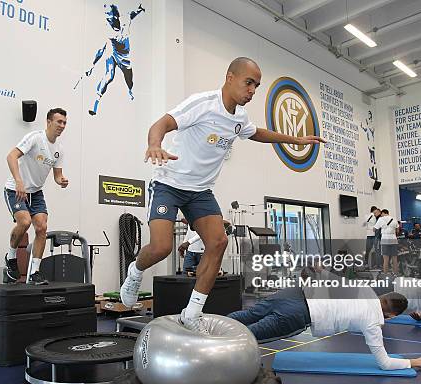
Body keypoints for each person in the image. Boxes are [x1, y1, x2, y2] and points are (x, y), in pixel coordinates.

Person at [119, 57, 325, 333]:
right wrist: (155, 145)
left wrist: (295, 139)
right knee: (161, 248)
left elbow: (257, 133)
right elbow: (162, 123)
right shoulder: (203, 104)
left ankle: (191, 313)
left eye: (256, 86)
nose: (252, 90)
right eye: (248, 83)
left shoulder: (239, 118)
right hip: (169, 183)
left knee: (218, 242)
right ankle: (135, 271)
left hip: (201, 191)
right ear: (230, 77)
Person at [228, 286, 421, 371]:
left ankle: (203, 325)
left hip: (291, 293)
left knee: (244, 316)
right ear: (393, 316)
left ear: (384, 296)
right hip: (297, 314)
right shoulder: (372, 323)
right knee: (248, 335)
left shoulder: (366, 289)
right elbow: (384, 363)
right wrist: (415, 362)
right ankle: (217, 357)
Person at [4, 108, 69, 285]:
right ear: (49, 122)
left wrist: (61, 180)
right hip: (16, 189)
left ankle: (34, 272)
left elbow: (57, 175)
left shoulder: (59, 150)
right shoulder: (35, 138)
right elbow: (11, 156)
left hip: (36, 193)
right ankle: (10, 257)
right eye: (59, 122)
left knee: (41, 228)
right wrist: (18, 181)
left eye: (64, 122)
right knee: (24, 223)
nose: (62, 125)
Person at [85, 3, 145, 116]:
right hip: (112, 55)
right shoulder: (107, 30)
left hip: (124, 59)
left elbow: (132, 15)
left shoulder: (125, 20)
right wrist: (91, 67)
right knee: (108, 77)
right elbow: (101, 50)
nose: (106, 17)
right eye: (105, 14)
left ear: (116, 16)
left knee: (129, 81)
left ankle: (130, 91)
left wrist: (139, 10)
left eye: (108, 14)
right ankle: (95, 104)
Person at [374, 209, 399, 274]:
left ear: (382, 213)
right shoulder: (394, 219)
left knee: (386, 259)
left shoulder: (381, 219)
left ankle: (385, 275)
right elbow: (397, 230)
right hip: (393, 239)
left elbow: (374, 229)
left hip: (385, 238)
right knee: (395, 259)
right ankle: (395, 274)